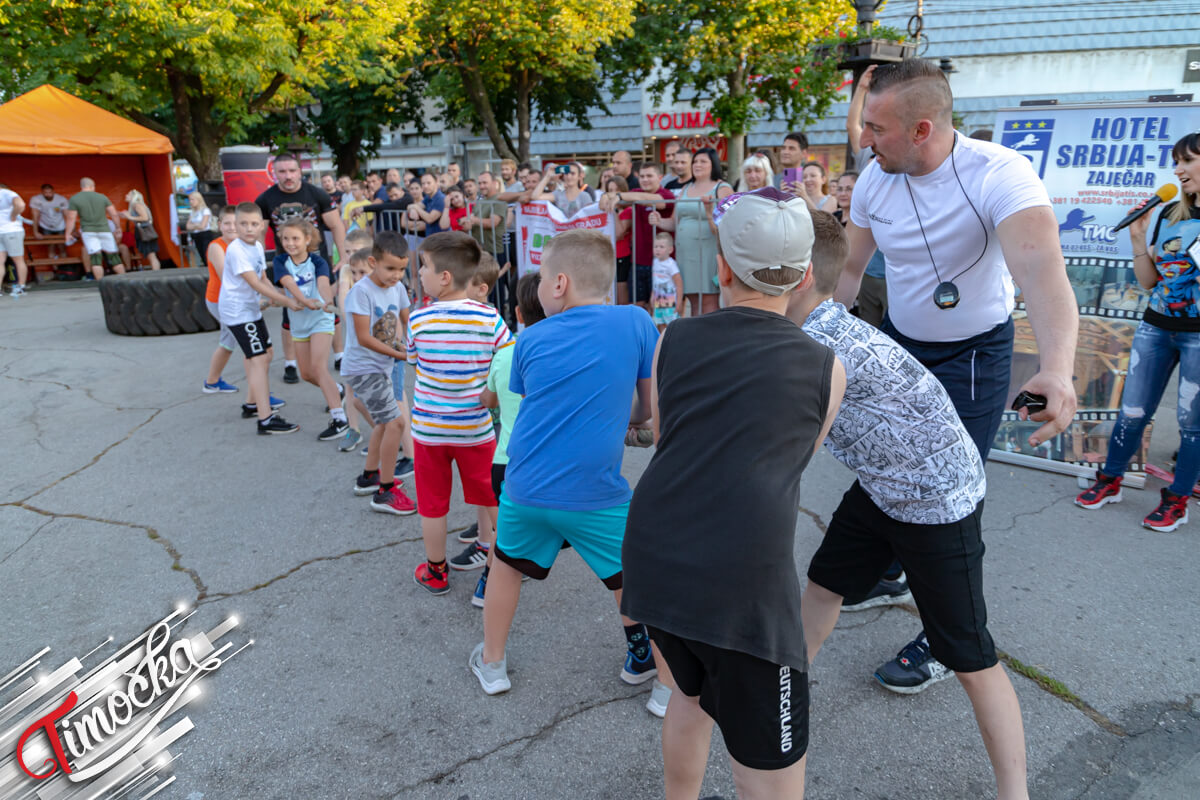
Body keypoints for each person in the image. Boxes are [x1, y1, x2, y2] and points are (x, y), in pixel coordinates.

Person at [835, 58, 1078, 693]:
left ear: (922, 129)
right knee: (882, 464)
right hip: (901, 345)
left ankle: (945, 638)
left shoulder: (1001, 174)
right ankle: (887, 572)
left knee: (949, 498)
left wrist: (1056, 370)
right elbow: (846, 274)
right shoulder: (873, 180)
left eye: (875, 128)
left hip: (975, 354)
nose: (864, 139)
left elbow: (1044, 278)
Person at [788, 210, 1029, 800]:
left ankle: (1015, 791)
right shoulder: (811, 327)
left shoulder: (815, 343)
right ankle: (785, 690)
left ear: (793, 278)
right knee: (823, 586)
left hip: (938, 499)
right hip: (884, 482)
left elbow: (788, 447)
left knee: (969, 654)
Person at [621, 188, 844, 797]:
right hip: (744, 587)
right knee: (771, 768)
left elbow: (668, 434)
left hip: (656, 556)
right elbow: (797, 457)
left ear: (720, 265)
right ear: (803, 276)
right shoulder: (825, 366)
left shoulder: (675, 338)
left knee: (688, 695)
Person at [469, 229, 659, 698]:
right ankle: (656, 677)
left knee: (506, 568)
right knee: (631, 581)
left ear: (557, 285)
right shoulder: (637, 322)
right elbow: (645, 409)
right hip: (596, 492)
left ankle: (493, 664)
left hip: (525, 485)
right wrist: (628, 421)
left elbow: (538, 400)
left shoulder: (527, 341)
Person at [1076, 132, 1200, 531]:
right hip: (1156, 326)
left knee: (1191, 423)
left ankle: (1177, 500)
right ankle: (1110, 480)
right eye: (1176, 162)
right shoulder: (1170, 214)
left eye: (1188, 161)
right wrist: (1137, 239)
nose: (1178, 170)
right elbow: (1149, 282)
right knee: (1132, 411)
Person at [407, 231, 511, 596]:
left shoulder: (418, 320)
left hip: (429, 431)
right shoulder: (492, 321)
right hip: (475, 430)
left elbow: (413, 361)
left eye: (424, 267)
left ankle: (436, 572)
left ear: (444, 277)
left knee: (433, 505)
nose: (419, 273)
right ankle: (500, 571)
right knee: (492, 500)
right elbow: (507, 365)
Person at [473, 272, 545, 609]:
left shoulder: (504, 355)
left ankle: (485, 584)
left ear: (517, 314)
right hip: (545, 461)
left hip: (506, 459)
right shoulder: (561, 355)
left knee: (505, 532)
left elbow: (487, 400)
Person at [255, 153, 347, 387]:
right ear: (274, 173)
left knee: (327, 307)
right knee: (290, 312)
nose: (288, 176)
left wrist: (344, 255)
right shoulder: (266, 199)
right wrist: (254, 265)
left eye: (292, 171)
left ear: (299, 171)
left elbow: (336, 225)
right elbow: (256, 235)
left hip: (318, 262)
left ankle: (339, 355)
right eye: (282, 172)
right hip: (287, 265)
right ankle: (290, 362)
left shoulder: (316, 194)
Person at [343, 231, 418, 515]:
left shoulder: (397, 288)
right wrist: (402, 354)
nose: (396, 275)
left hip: (381, 366)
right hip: (363, 369)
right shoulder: (360, 292)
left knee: (384, 424)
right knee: (396, 424)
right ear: (373, 262)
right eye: (390, 268)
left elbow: (409, 321)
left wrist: (418, 343)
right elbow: (364, 338)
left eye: (402, 269)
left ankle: (369, 476)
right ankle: (385, 491)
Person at [218, 203, 302, 435]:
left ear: (262, 226)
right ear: (235, 224)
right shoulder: (236, 250)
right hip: (237, 312)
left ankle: (251, 403)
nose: (248, 228)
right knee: (257, 359)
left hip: (250, 309)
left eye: (254, 224)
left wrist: (284, 295)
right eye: (243, 224)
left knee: (266, 355)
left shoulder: (255, 246)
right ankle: (265, 419)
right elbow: (252, 283)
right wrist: (286, 302)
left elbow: (262, 277)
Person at [272, 218, 347, 441]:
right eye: (286, 238)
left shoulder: (318, 261)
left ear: (307, 239)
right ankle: (337, 390)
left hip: (320, 319)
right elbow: (289, 283)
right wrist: (302, 300)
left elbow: (323, 284)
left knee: (318, 366)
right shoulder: (280, 261)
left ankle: (340, 418)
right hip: (299, 322)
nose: (290, 243)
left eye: (295, 238)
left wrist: (325, 299)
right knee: (306, 374)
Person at [648, 147, 732, 316]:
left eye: (703, 161)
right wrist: (659, 221)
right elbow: (674, 221)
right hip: (685, 253)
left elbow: (726, 226)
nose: (697, 165)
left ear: (713, 164)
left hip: (707, 252)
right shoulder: (686, 188)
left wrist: (709, 213)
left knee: (708, 299)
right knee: (693, 299)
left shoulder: (722, 189)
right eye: (695, 161)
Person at [600, 163, 676, 309]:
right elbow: (604, 203)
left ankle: (662, 332)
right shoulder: (634, 193)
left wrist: (618, 195)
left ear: (660, 177)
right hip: (638, 262)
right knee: (637, 306)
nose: (645, 179)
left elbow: (649, 198)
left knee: (661, 307)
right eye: (642, 176)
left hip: (662, 263)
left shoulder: (666, 194)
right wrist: (606, 196)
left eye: (649, 176)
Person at [832, 171, 888, 327]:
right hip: (860, 280)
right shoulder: (833, 218)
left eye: (849, 189)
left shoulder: (877, 211)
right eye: (840, 189)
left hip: (885, 278)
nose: (843, 193)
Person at [202, 206, 240, 394]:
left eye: (235, 223)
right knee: (234, 340)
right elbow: (227, 278)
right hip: (219, 300)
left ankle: (212, 381)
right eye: (227, 223)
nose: (232, 227)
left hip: (235, 300)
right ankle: (211, 381)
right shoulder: (216, 246)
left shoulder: (241, 244)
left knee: (229, 340)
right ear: (219, 225)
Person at [64, 178, 124, 280]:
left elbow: (71, 218)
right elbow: (114, 214)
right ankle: (125, 281)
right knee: (114, 257)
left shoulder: (75, 199)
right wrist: (118, 227)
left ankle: (100, 284)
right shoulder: (102, 197)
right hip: (105, 230)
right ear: (92, 186)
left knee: (96, 258)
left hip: (88, 232)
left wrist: (68, 233)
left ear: (81, 186)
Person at [528, 162, 594, 217]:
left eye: (572, 173)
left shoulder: (585, 196)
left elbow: (589, 217)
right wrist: (548, 176)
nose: (569, 176)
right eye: (566, 173)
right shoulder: (558, 194)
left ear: (579, 176)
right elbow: (535, 196)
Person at [650, 232, 683, 331]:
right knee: (660, 323)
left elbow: (679, 284)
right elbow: (655, 283)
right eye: (655, 246)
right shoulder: (655, 262)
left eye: (661, 247)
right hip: (658, 300)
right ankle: (662, 342)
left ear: (670, 249)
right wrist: (652, 297)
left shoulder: (671, 264)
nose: (658, 249)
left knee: (671, 325)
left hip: (670, 301)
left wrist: (679, 302)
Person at [30, 183, 70, 261]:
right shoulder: (36, 199)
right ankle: (54, 268)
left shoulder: (61, 199)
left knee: (62, 246)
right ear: (42, 192)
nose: (48, 195)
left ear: (53, 191)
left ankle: (64, 268)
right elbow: (35, 216)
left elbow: (68, 216)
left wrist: (72, 230)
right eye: (46, 193)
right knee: (50, 247)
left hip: (60, 225)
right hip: (46, 226)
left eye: (50, 192)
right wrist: (35, 232)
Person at [0, 183, 27, 296]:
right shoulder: (7, 192)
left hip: (6, 230)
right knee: (18, 259)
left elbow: (20, 205)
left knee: (1, 261)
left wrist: (13, 214)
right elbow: (20, 204)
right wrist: (13, 215)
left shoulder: (5, 193)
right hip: (11, 230)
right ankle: (20, 286)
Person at [186, 191, 215, 265]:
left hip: (205, 235)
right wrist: (197, 225)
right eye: (190, 200)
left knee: (206, 254)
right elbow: (187, 226)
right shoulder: (192, 212)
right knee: (201, 254)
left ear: (198, 199)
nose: (191, 202)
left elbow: (203, 226)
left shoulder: (205, 210)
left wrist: (194, 225)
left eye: (192, 200)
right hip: (196, 235)